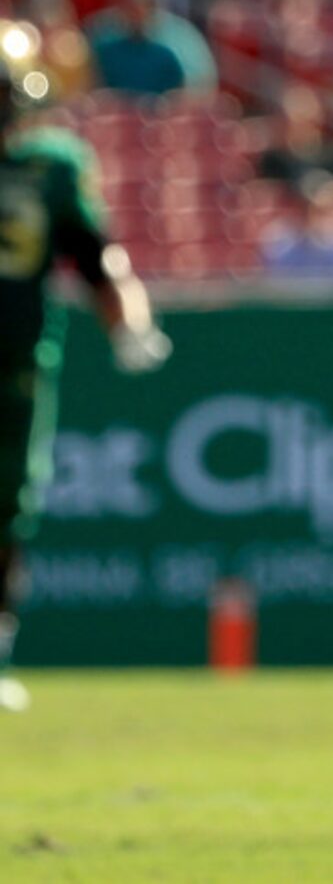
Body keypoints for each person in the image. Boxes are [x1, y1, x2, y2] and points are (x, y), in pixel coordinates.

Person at [0, 51, 171, 711]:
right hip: (19, 361)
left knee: (8, 509)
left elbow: (94, 255)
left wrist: (126, 321)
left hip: (14, 365)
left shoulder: (51, 167)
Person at [86, 0, 217, 97]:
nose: (131, 11)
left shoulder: (180, 40)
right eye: (124, 4)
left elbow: (198, 89)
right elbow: (92, 86)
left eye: (136, 4)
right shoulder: (103, 37)